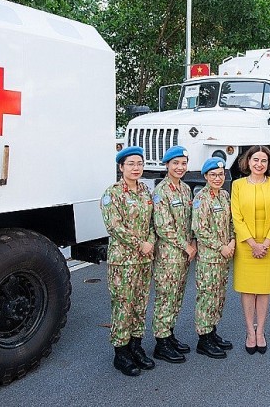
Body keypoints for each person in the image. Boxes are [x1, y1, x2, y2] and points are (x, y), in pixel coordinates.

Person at [100, 146, 156, 377]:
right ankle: (121, 353)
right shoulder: (112, 193)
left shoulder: (145, 191)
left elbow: (153, 223)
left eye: (140, 164)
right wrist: (140, 244)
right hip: (123, 261)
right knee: (123, 306)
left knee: (140, 305)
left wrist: (151, 241)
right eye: (131, 164)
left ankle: (136, 345)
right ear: (121, 167)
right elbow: (114, 226)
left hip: (144, 261)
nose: (136, 168)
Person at [231, 145, 270, 354]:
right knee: (247, 289)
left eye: (264, 160)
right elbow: (237, 217)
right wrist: (253, 244)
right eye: (255, 160)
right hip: (246, 246)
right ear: (248, 162)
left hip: (269, 245)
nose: (259, 164)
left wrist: (266, 243)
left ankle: (260, 331)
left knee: (263, 290)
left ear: (269, 163)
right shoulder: (237, 185)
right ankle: (249, 331)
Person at [151, 146, 197, 364]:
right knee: (165, 298)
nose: (180, 167)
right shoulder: (161, 192)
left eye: (183, 163)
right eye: (175, 163)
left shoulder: (185, 190)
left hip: (183, 254)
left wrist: (193, 242)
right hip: (169, 255)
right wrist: (185, 246)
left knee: (177, 297)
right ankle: (161, 343)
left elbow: (189, 221)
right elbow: (163, 227)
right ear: (167, 165)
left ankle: (169, 335)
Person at [191, 157, 235, 359]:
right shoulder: (202, 198)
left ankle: (213, 332)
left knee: (218, 296)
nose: (217, 178)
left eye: (220, 174)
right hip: (209, 257)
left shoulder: (225, 196)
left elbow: (232, 222)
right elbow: (200, 231)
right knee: (207, 297)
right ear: (206, 176)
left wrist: (232, 241)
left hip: (225, 256)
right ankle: (203, 339)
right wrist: (221, 247)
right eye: (213, 175)